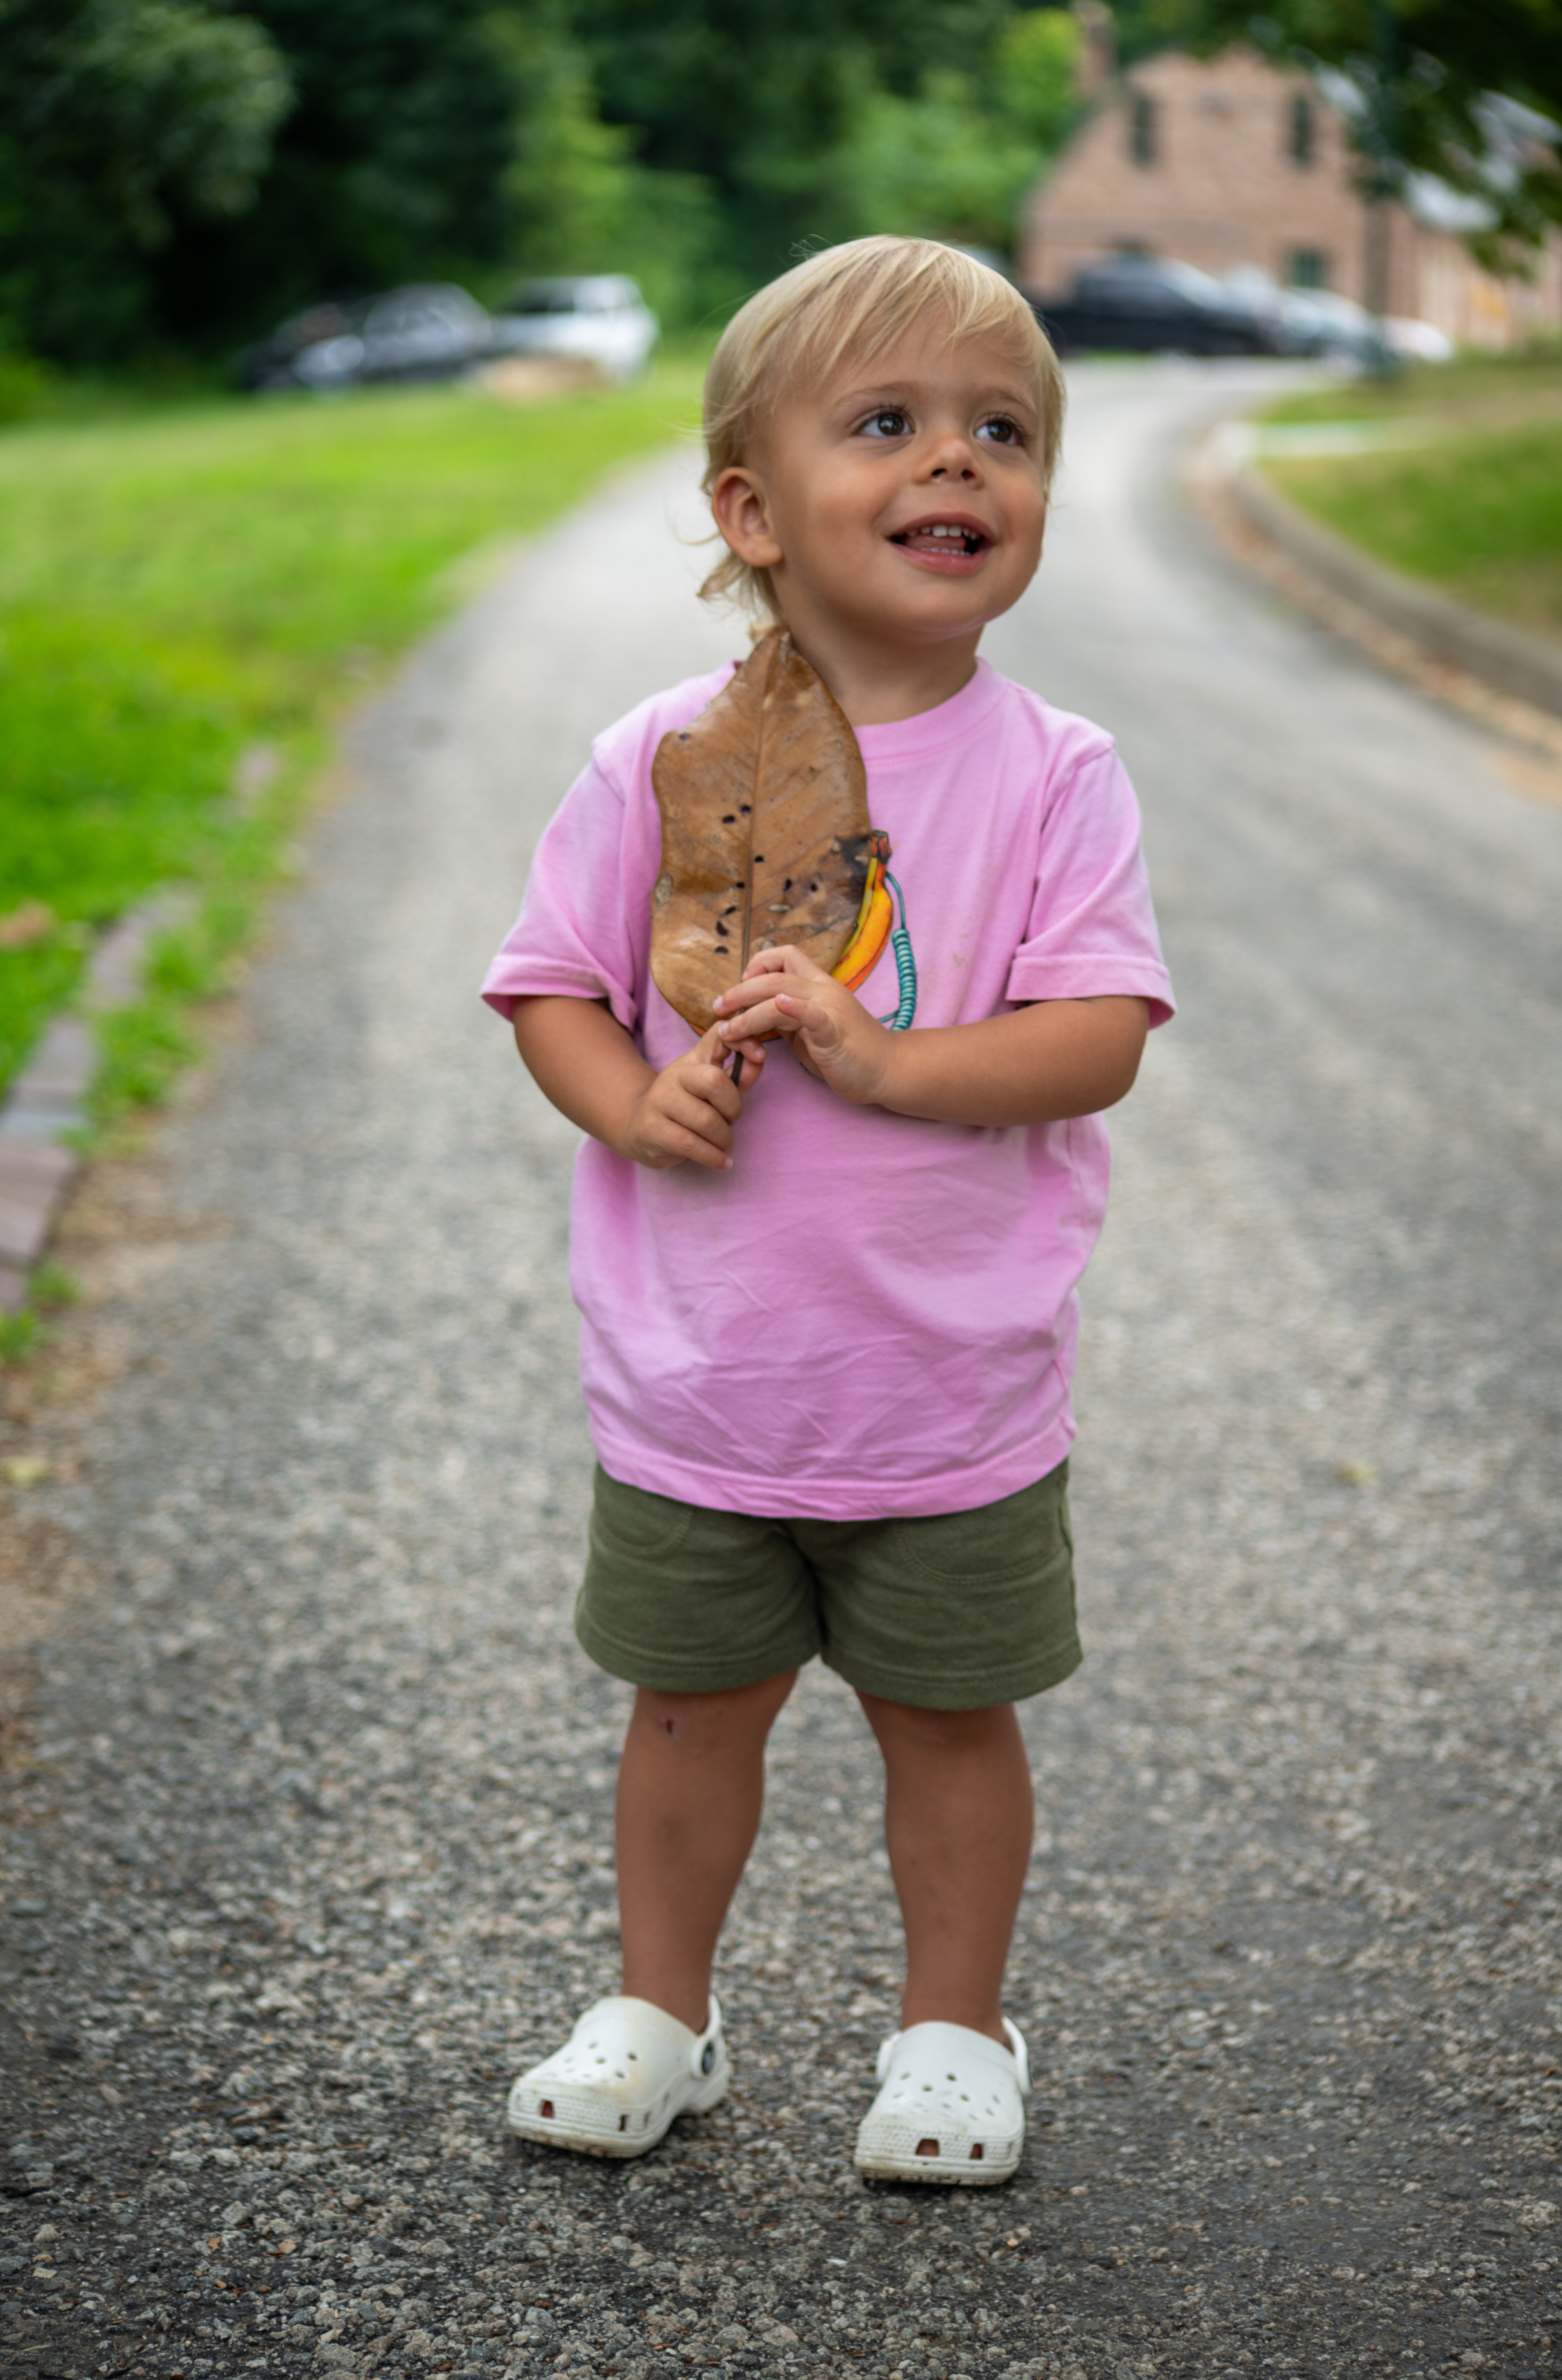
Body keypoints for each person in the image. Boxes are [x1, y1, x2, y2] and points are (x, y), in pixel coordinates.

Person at [480, 235, 1174, 2186]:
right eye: (890, 425)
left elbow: (1102, 1029)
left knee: (950, 1725)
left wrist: (884, 1064)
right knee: (692, 1715)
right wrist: (641, 1106)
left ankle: (955, 2029)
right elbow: (545, 985)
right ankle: (661, 2013)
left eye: (1003, 432)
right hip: (704, 1380)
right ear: (751, 510)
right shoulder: (660, 762)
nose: (958, 464)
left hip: (950, 1391)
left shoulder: (1055, 776)